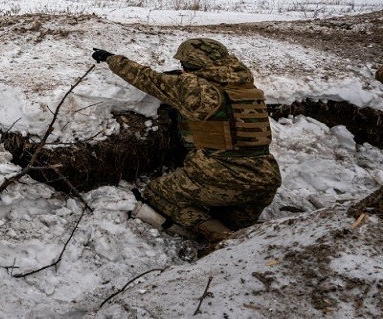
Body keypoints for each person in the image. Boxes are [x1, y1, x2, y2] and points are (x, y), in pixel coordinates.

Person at [91, 38, 281, 243]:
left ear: (191, 64)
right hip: (264, 180)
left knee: (157, 194)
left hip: (223, 176)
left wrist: (111, 58)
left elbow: (147, 79)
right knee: (232, 221)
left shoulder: (195, 89)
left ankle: (223, 239)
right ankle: (238, 236)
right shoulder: (246, 88)